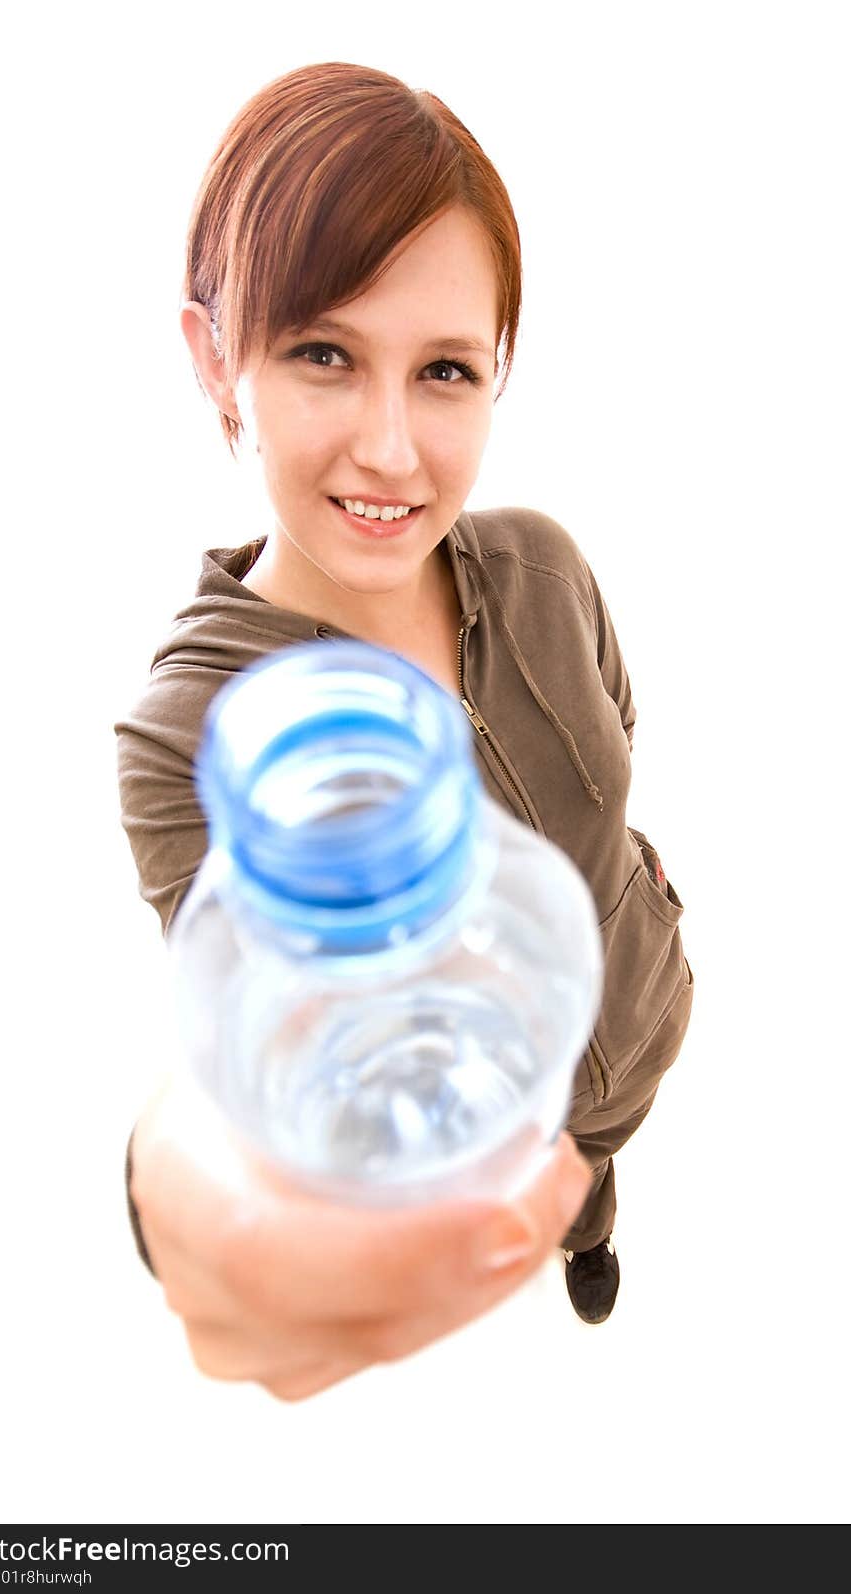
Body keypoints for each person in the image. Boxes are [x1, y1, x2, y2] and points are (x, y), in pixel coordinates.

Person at [116, 61, 693, 1397]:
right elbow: (243, 1047)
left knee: (598, 1164)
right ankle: (576, 1228)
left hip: (641, 1020)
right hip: (485, 1143)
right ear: (218, 357)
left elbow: (614, 752)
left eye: (446, 370)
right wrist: (164, 1204)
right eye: (324, 353)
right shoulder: (193, 727)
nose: (390, 448)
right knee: (554, 1205)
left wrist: (639, 889)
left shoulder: (542, 563)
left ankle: (598, 1211)